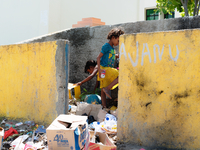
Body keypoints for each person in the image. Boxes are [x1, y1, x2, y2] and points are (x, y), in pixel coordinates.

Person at [97, 28, 124, 108]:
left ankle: (104, 107)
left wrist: (117, 55)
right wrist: (99, 69)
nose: (118, 43)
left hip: (107, 70)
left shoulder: (112, 49)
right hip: (104, 69)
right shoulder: (106, 46)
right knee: (121, 75)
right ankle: (108, 88)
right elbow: (98, 57)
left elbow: (110, 55)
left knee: (102, 90)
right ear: (113, 37)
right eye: (118, 41)